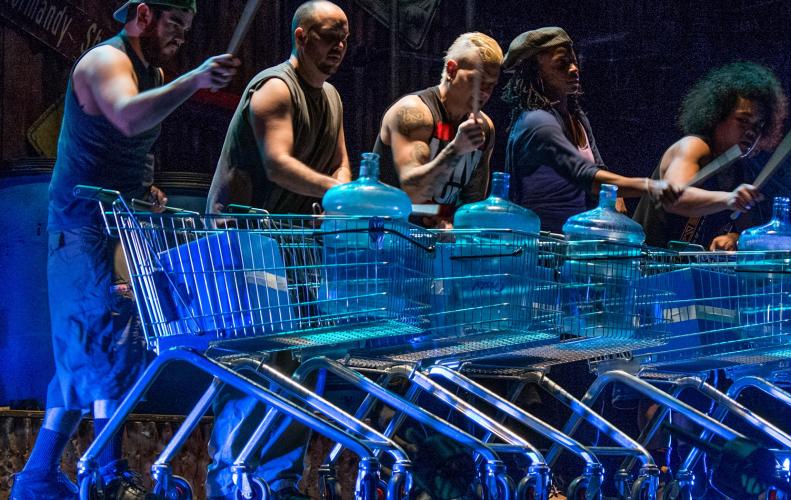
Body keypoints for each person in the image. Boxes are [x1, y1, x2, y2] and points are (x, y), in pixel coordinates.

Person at [10, 1, 238, 498]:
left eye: (186, 27)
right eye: (174, 23)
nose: (180, 36)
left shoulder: (148, 68)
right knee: (104, 346)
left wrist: (143, 187)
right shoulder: (104, 62)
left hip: (116, 223)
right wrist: (195, 80)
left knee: (86, 350)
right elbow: (128, 118)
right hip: (84, 230)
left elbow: (127, 145)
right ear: (142, 14)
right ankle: (108, 475)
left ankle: (38, 477)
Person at [204, 1, 351, 498]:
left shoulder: (330, 96)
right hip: (245, 240)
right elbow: (278, 164)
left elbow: (342, 164)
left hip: (293, 244)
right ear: (301, 36)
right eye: (329, 37)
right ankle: (231, 480)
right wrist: (335, 193)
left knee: (302, 363)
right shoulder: (274, 90)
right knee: (253, 363)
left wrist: (344, 195)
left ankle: (280, 480)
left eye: (344, 39)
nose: (338, 48)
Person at [501, 27, 679, 233]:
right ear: (535, 72)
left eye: (574, 61)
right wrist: (650, 186)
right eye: (562, 63)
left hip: (570, 240)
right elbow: (585, 176)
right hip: (541, 245)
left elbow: (598, 169)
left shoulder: (576, 117)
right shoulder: (537, 122)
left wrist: (616, 193)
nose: (574, 68)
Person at [632, 61, 789, 250]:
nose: (751, 132)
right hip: (647, 268)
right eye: (743, 121)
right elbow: (675, 199)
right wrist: (729, 199)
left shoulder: (740, 171)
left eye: (757, 126)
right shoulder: (693, 146)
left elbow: (746, 231)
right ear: (717, 115)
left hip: (689, 274)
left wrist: (735, 239)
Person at [372, 32, 502, 228]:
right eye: (478, 81)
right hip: (386, 238)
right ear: (451, 70)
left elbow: (472, 205)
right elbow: (413, 192)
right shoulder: (415, 114)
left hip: (437, 241)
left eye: (491, 86)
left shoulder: (485, 127)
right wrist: (456, 150)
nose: (484, 92)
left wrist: (452, 223)